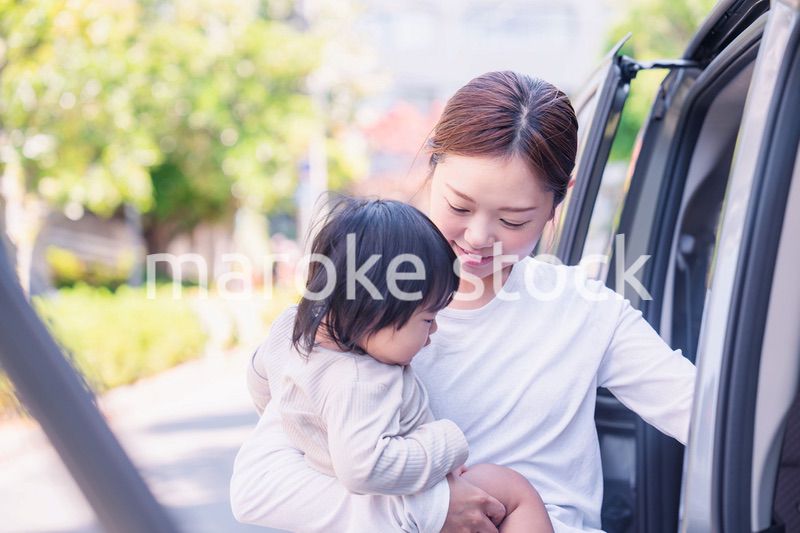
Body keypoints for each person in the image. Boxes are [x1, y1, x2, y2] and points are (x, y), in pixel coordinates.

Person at [230, 71, 697, 533]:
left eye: (513, 221)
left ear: (559, 202)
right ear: (433, 164)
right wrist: (432, 511)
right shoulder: (368, 304)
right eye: (459, 206)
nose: (477, 238)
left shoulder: (588, 312)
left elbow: (710, 416)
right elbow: (259, 486)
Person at [270, 197, 553, 532]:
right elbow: (364, 467)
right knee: (512, 490)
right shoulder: (363, 379)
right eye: (428, 318)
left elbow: (262, 380)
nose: (434, 330)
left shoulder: (290, 332)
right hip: (406, 499)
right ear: (378, 311)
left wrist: (301, 422)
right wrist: (447, 442)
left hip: (358, 499)